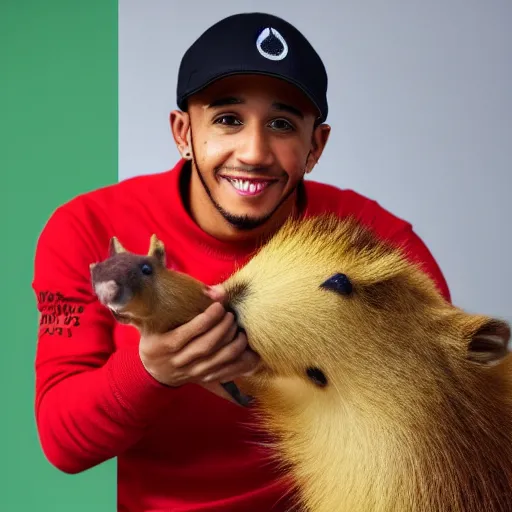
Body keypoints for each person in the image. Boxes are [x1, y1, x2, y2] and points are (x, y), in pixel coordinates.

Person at [32, 11, 451, 512]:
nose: (253, 152)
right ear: (183, 132)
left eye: (281, 124)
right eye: (228, 119)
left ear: (314, 146)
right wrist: (152, 371)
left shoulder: (378, 242)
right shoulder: (89, 228)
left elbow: (439, 409)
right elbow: (62, 442)